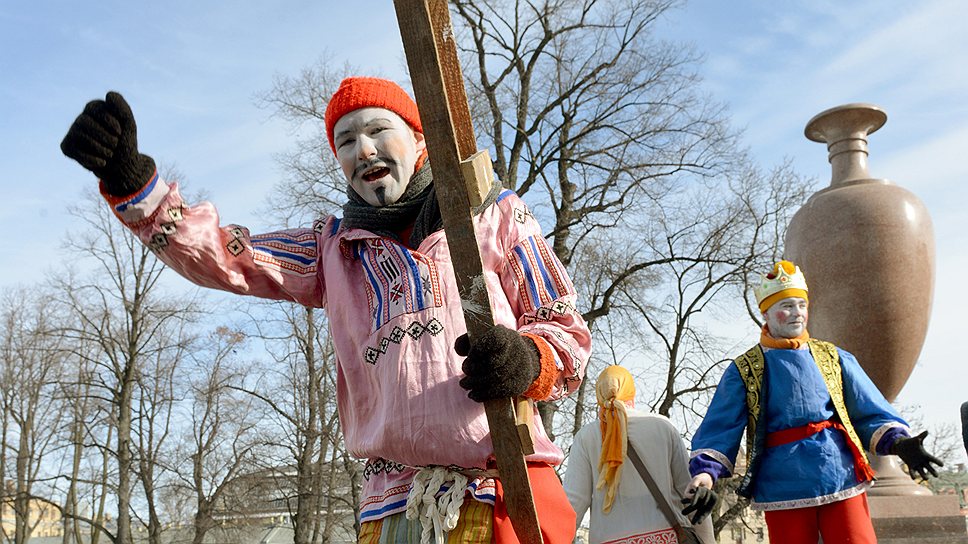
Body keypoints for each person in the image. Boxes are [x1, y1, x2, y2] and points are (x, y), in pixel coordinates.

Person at [60, 78, 592, 543]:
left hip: (499, 487)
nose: (363, 148)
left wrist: (527, 359)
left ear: (419, 139)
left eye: (379, 130)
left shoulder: (492, 215)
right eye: (346, 140)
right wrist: (137, 188)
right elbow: (228, 256)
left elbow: (565, 331)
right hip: (392, 507)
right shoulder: (333, 250)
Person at [687, 260, 943, 543]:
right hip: (782, 483)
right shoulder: (744, 369)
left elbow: (867, 409)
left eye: (801, 305)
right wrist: (704, 477)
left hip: (839, 473)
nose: (797, 313)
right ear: (767, 314)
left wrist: (898, 443)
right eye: (787, 306)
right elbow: (720, 428)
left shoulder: (834, 358)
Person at [564, 366, 716, 544]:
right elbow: (690, 492)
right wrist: (709, 540)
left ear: (599, 395)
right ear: (631, 393)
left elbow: (573, 503)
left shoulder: (586, 437)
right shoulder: (662, 426)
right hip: (668, 537)